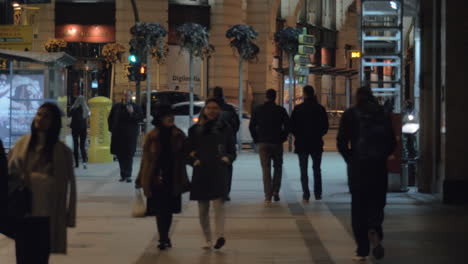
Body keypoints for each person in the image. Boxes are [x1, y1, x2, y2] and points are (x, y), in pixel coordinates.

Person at [8, 103, 77, 260]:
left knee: (40, 257)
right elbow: (9, 175)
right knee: (23, 257)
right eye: (39, 114)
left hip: (46, 215)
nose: (40, 118)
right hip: (23, 212)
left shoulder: (61, 151)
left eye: (46, 116)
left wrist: (69, 215)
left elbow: (70, 186)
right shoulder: (22, 144)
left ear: (54, 122)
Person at [337, 87, 396, 262]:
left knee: (358, 208)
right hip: (378, 168)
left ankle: (362, 250)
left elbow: (341, 141)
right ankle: (374, 227)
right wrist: (382, 157)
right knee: (377, 202)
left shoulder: (350, 114)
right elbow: (392, 141)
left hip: (358, 168)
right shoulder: (381, 114)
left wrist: (350, 158)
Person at [136, 105, 190, 250]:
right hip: (155, 178)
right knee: (160, 210)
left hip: (173, 176)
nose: (171, 118)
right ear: (160, 119)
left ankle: (164, 236)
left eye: (172, 116)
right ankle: (163, 238)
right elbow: (145, 159)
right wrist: (140, 178)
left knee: (169, 209)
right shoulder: (152, 136)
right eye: (167, 116)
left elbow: (186, 154)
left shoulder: (179, 135)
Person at [187, 98, 236, 250]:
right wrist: (193, 160)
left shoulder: (226, 128)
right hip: (201, 171)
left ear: (220, 110)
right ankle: (207, 238)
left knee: (219, 206)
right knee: (203, 210)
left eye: (215, 108)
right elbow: (187, 151)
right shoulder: (195, 130)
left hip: (218, 170)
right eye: (209, 108)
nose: (212, 111)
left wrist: (228, 158)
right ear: (204, 110)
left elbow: (232, 151)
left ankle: (220, 236)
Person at [249, 89, 290, 203]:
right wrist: (283, 137)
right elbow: (288, 125)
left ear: (266, 97)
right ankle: (276, 191)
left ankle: (268, 195)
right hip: (277, 143)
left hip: (263, 143)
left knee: (265, 169)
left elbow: (252, 126)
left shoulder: (258, 110)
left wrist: (256, 139)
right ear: (275, 97)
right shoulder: (280, 110)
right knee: (278, 167)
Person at [291, 85, 329, 202]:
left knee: (303, 170)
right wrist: (318, 134)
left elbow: (292, 126)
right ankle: (318, 193)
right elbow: (325, 127)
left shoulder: (298, 109)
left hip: (302, 143)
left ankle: (306, 194)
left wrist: (298, 135)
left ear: (304, 94)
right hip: (316, 143)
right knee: (317, 169)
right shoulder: (320, 109)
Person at [108, 90, 144, 183]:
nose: (126, 96)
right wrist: (112, 129)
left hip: (130, 136)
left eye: (128, 95)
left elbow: (140, 118)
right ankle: (123, 174)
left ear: (131, 96)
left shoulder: (136, 106)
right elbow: (110, 118)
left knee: (129, 155)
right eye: (124, 95)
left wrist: (132, 113)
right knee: (120, 155)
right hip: (118, 135)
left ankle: (128, 175)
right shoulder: (117, 106)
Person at [212, 86, 240, 201]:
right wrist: (232, 134)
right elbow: (236, 124)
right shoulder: (229, 108)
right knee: (227, 166)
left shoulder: (209, 107)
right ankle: (226, 191)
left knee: (213, 166)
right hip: (227, 141)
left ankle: (215, 190)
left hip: (212, 141)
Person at [68, 95, 90, 169]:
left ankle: (76, 163)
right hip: (83, 128)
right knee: (82, 146)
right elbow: (88, 116)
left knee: (75, 145)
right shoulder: (86, 108)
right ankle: (84, 163)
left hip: (75, 128)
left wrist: (72, 107)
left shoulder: (74, 108)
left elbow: (69, 115)